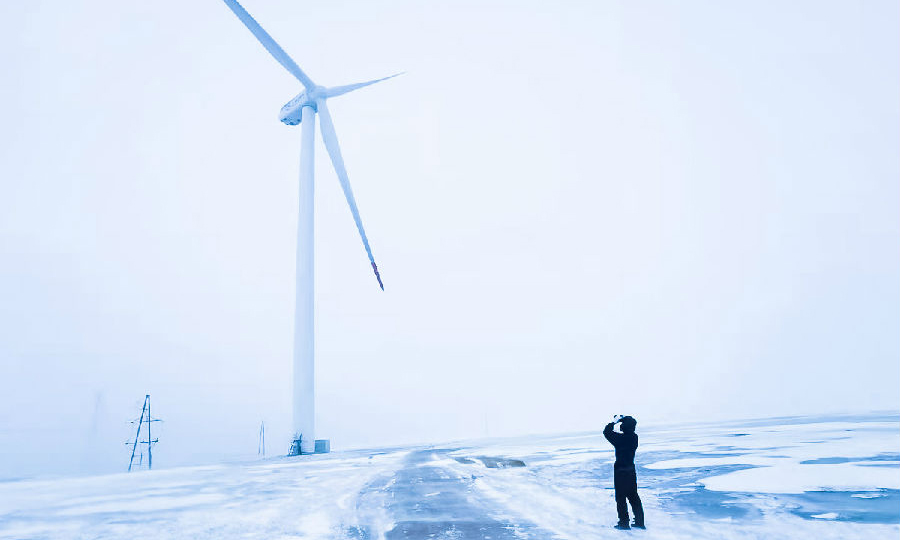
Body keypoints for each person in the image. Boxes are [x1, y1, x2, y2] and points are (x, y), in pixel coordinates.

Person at [604, 415, 645, 530]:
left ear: (623, 427)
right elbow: (627, 428)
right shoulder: (634, 438)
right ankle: (640, 522)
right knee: (633, 496)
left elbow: (606, 432)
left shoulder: (619, 439)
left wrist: (614, 421)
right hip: (631, 471)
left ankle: (624, 523)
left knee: (621, 498)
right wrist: (623, 421)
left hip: (620, 472)